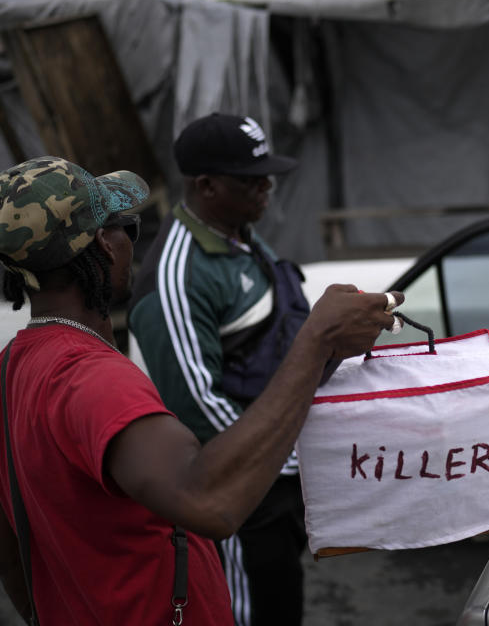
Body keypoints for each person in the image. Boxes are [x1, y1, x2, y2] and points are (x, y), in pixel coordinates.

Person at [0, 155, 401, 624]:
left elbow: (10, 547)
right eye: (126, 226)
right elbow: (210, 503)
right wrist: (315, 343)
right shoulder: (93, 379)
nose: (132, 242)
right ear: (103, 246)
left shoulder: (13, 366)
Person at [126, 112, 324, 625]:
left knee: (283, 601)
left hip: (279, 478)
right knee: (247, 613)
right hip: (243, 495)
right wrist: (287, 459)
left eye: (268, 175)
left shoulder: (242, 237)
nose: (267, 189)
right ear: (206, 185)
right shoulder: (178, 276)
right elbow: (198, 408)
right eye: (250, 180)